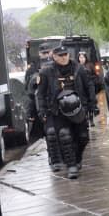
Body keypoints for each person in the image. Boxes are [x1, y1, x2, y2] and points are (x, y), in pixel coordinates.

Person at [37, 45, 94, 179]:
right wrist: (43, 110)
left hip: (78, 109)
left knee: (83, 137)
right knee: (64, 137)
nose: (63, 58)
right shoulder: (46, 71)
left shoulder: (79, 69)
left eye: (65, 55)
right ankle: (71, 165)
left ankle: (77, 158)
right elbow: (41, 94)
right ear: (54, 57)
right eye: (60, 55)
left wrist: (92, 104)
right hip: (58, 110)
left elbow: (89, 86)